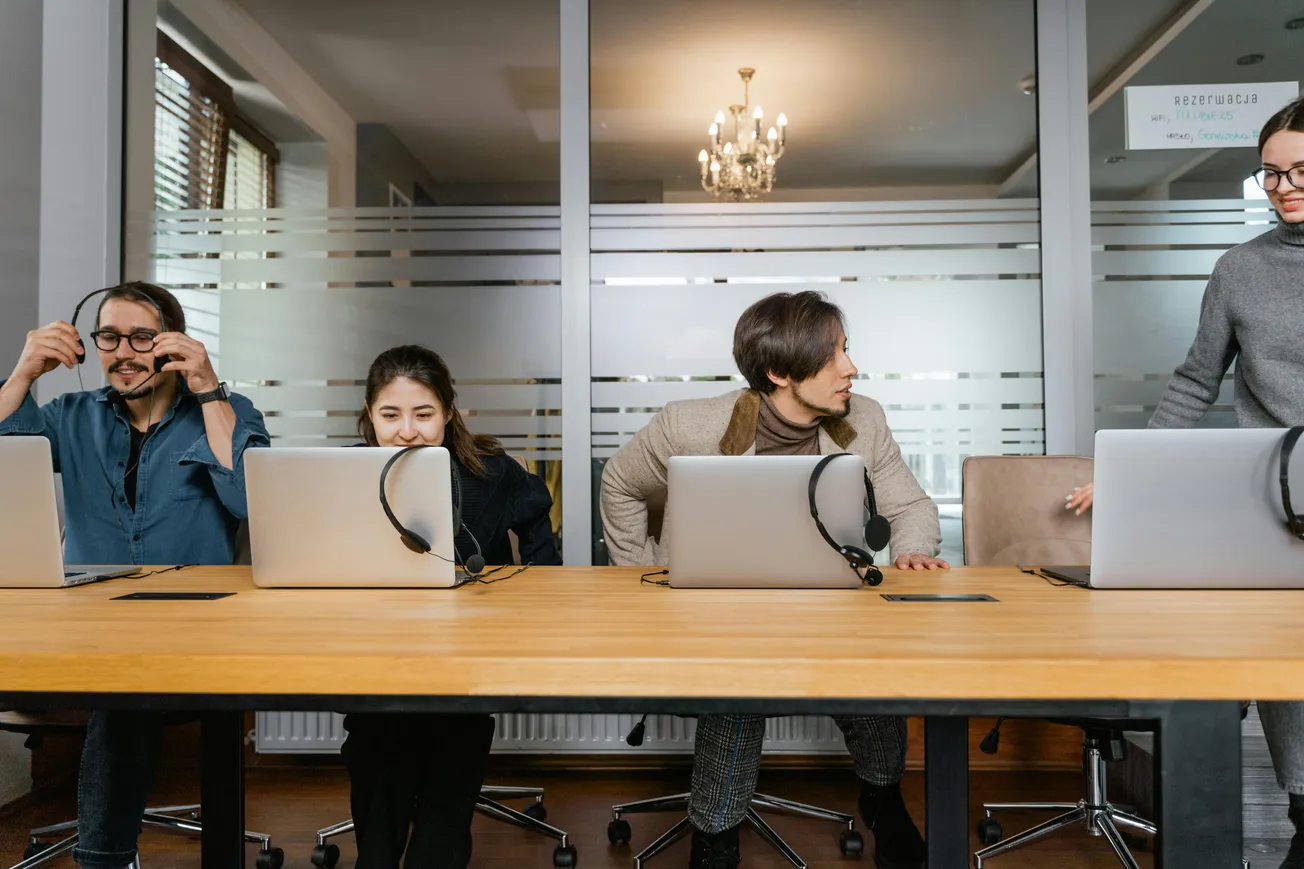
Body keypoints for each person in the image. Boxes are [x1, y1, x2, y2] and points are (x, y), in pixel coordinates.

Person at [601, 291, 946, 869]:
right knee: (741, 683)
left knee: (878, 677)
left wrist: (912, 550)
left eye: (847, 350)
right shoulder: (690, 425)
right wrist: (641, 575)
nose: (851, 369)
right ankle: (716, 838)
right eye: (834, 355)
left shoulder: (865, 419)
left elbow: (910, 506)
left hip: (829, 613)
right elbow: (620, 482)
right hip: (718, 622)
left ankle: (883, 798)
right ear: (780, 372)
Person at [1065, 96, 1304, 869]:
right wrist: (1137, 472)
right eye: (1270, 173)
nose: (1282, 186)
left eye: (1300, 171)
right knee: (1287, 695)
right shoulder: (1241, 268)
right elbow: (1195, 381)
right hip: (1274, 508)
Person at [0, 281, 268, 869]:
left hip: (199, 630)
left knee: (127, 686)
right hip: (89, 630)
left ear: (173, 342)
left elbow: (251, 498)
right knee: (123, 677)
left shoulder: (226, 411)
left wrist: (207, 386)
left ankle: (102, 857)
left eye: (142, 336)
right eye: (109, 337)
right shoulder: (67, 416)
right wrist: (21, 375)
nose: (124, 351)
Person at [341, 344, 560, 869]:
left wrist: (526, 595)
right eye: (390, 415)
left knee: (453, 741)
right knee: (379, 740)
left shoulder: (491, 472)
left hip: (464, 655)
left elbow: (541, 548)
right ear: (370, 415)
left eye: (424, 414)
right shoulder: (343, 472)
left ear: (448, 413)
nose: (408, 430)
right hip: (377, 654)